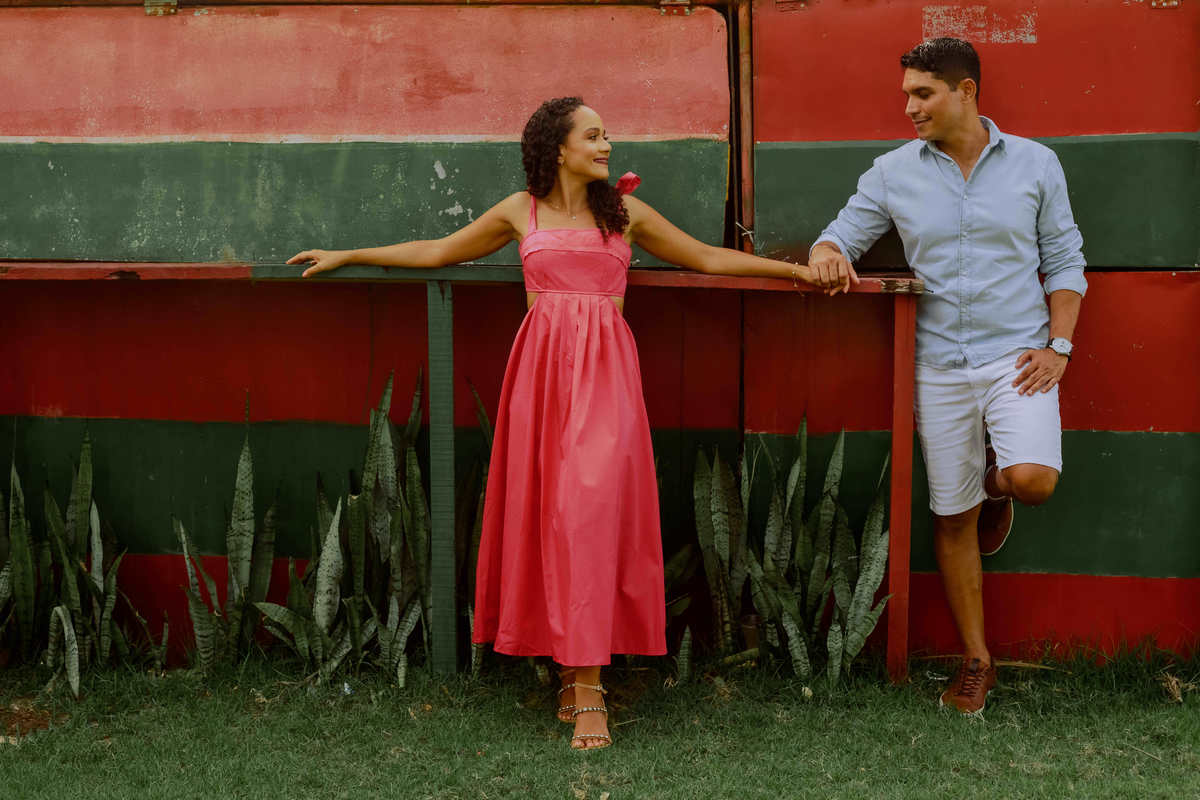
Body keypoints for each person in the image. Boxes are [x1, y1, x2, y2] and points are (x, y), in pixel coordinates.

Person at [290, 96, 845, 749]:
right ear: (558, 148)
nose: (607, 145)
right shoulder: (517, 211)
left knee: (588, 512)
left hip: (606, 381)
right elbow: (439, 252)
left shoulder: (626, 213)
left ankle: (588, 690)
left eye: (607, 135)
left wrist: (795, 273)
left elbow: (706, 258)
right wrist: (349, 253)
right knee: (549, 518)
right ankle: (570, 670)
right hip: (540, 382)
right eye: (594, 136)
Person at [810, 38, 1086, 714]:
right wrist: (824, 253)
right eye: (907, 92)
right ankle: (977, 660)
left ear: (965, 91)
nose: (909, 106)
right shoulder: (893, 171)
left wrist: (1059, 346)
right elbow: (841, 233)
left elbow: (1067, 259)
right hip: (936, 364)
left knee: (1034, 482)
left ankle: (999, 489)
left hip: (1018, 357)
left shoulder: (1035, 164)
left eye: (922, 93)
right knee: (950, 515)